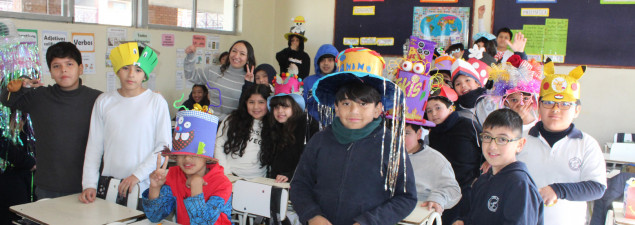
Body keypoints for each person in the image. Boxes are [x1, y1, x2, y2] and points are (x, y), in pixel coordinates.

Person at [290, 48, 417, 225]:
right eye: (346, 103)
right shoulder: (320, 141)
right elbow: (299, 185)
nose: (354, 111)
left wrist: (369, 221)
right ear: (336, 107)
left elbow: (406, 197)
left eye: (363, 103)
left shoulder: (390, 145)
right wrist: (312, 215)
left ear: (378, 109)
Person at [0, 42, 102, 199]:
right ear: (51, 72)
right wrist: (16, 86)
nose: (63, 70)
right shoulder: (39, 97)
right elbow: (6, 100)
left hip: (87, 186)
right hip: (48, 187)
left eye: (69, 64)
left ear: (80, 68)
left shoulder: (98, 99)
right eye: (56, 66)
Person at [516, 60, 606, 225]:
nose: (556, 109)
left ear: (577, 110)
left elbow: (597, 187)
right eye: (549, 103)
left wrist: (558, 190)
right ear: (538, 107)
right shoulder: (519, 139)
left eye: (565, 104)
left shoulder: (587, 144)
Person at [80, 42, 171, 204]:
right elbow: (94, 146)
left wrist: (137, 175)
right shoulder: (104, 101)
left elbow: (163, 148)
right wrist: (89, 184)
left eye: (138, 70)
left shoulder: (156, 102)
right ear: (117, 70)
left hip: (143, 185)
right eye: (125, 68)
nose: (131, 74)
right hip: (109, 185)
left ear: (145, 74)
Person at [453, 108, 543, 225]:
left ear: (519, 145)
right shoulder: (482, 180)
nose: (492, 146)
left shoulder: (519, 184)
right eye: (487, 137)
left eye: (502, 139)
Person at [142, 109, 232, 225]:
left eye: (194, 155)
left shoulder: (222, 184)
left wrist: (196, 188)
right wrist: (155, 188)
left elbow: (202, 223)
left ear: (207, 157)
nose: (187, 159)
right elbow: (155, 216)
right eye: (182, 155)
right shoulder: (175, 175)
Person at [426, 93, 482, 224]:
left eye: (438, 108)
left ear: (451, 108)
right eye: (429, 111)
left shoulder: (469, 125)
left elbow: (485, 147)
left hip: (469, 187)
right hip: (445, 189)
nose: (433, 113)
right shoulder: (433, 134)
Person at [261, 75, 318, 183]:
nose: (280, 111)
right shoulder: (275, 125)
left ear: (294, 107)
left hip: (300, 182)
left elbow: (311, 159)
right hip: (277, 181)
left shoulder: (308, 125)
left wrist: (291, 175)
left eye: (285, 106)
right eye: (276, 107)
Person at [184, 40, 256, 118]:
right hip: (211, 121)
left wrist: (250, 84)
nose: (236, 56)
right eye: (234, 51)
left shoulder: (250, 79)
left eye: (242, 53)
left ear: (248, 58)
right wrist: (190, 56)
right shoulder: (213, 71)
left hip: (234, 125)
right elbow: (191, 75)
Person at [215, 84, 270, 179]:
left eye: (261, 102)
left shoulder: (273, 125)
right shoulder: (232, 120)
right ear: (245, 103)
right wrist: (226, 173)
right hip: (230, 177)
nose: (256, 107)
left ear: (268, 103)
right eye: (251, 102)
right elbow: (219, 145)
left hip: (260, 181)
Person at [405, 123, 461, 214]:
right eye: (394, 132)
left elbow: (453, 189)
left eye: (406, 133)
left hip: (418, 213)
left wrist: (437, 199)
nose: (399, 138)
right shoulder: (384, 154)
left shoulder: (436, 161)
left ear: (419, 134)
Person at [0, 111, 36, 225]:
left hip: (31, 178)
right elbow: (3, 145)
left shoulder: (31, 107)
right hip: (10, 178)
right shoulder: (5, 110)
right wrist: (29, 162)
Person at [303, 44, 338, 123]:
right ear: (317, 62)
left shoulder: (341, 80)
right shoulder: (308, 81)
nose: (326, 63)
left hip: (335, 127)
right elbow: (302, 104)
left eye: (330, 60)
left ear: (336, 62)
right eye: (322, 60)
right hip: (312, 126)